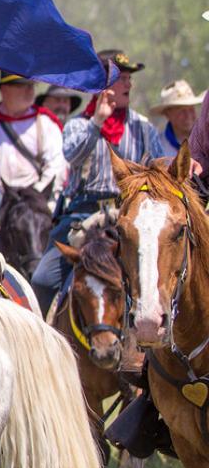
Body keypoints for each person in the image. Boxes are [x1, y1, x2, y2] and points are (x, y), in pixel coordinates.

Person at [30, 49, 169, 311]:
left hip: (127, 215)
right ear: (101, 85)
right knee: (43, 281)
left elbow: (157, 171)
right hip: (81, 217)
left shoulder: (144, 127)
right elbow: (72, 155)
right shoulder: (78, 124)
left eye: (129, 78)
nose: (129, 83)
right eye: (122, 78)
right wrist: (97, 122)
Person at [0, 71, 65, 212]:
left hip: (34, 200)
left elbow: (55, 167)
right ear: (4, 89)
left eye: (31, 85)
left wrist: (34, 195)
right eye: (21, 85)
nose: (30, 90)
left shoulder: (45, 123)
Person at [151, 79, 203, 151]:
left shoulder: (205, 141)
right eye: (181, 110)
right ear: (167, 114)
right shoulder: (156, 147)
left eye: (191, 109)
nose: (188, 115)